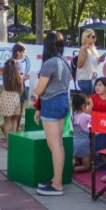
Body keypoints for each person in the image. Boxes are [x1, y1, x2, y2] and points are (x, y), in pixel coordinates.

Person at [32, 31, 72, 196]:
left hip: (51, 103)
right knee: (59, 144)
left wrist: (36, 89)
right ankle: (57, 179)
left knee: (54, 145)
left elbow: (40, 89)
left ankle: (57, 185)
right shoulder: (64, 61)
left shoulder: (49, 63)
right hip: (63, 101)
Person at [0, 59, 24, 148]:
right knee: (14, 120)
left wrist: (7, 66)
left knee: (6, 122)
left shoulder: (5, 75)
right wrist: (13, 66)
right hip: (15, 97)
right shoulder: (19, 77)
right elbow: (22, 90)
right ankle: (14, 141)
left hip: (6, 97)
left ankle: (7, 142)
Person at [76, 29, 105, 96]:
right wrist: (84, 55)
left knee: (92, 100)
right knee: (90, 101)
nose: (95, 38)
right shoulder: (84, 49)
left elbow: (92, 64)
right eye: (93, 37)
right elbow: (79, 65)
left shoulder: (93, 49)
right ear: (86, 37)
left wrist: (100, 60)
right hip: (85, 79)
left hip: (92, 78)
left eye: (95, 37)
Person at [71, 93, 93, 173]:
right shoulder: (86, 116)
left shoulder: (72, 115)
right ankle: (70, 170)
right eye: (87, 104)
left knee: (76, 161)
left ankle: (73, 165)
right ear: (83, 105)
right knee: (87, 166)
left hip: (74, 142)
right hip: (83, 144)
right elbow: (95, 125)